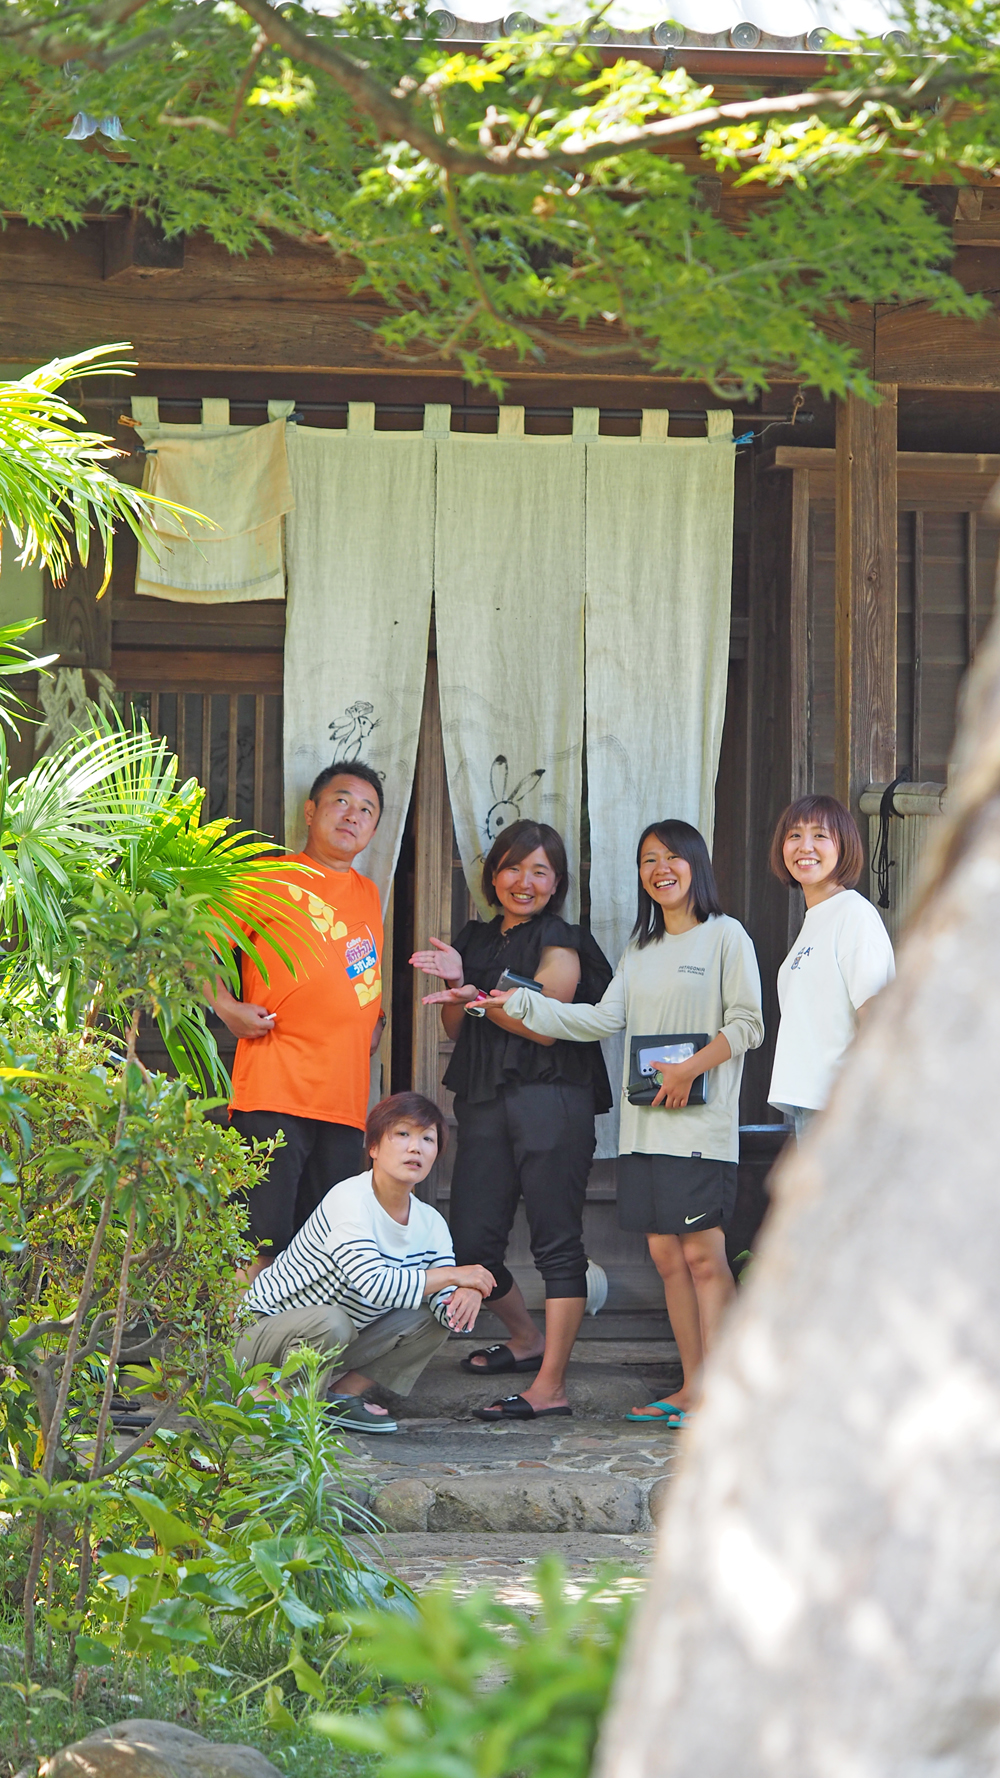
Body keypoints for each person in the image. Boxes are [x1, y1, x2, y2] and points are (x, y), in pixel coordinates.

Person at [496, 819, 763, 1428]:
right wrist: (515, 1003)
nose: (660, 869)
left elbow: (749, 1023)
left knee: (703, 1258)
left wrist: (688, 1070)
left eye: (672, 857)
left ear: (696, 863)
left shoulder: (727, 936)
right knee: (669, 1261)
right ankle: (693, 1387)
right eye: (648, 860)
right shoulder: (640, 951)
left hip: (699, 1132)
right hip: (645, 1129)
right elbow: (596, 1021)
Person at [409, 819, 612, 1422]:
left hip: (552, 1099)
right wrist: (456, 984)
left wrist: (472, 995)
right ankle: (527, 1340)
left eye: (540, 871)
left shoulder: (561, 939)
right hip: (484, 1098)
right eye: (513, 867)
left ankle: (550, 1387)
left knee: (556, 1241)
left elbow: (545, 1024)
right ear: (493, 873)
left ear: (557, 883)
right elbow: (454, 1029)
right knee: (472, 1240)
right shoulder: (472, 938)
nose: (525, 881)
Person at [208, 760, 386, 1282]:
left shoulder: (369, 894)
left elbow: (357, 973)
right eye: (341, 801)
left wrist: (373, 1022)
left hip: (344, 1102)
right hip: (274, 1090)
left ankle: (304, 1364)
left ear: (374, 829)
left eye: (367, 810)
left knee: (322, 1249)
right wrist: (225, 1006)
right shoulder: (264, 877)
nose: (353, 815)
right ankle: (242, 1360)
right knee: (258, 1243)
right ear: (310, 811)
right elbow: (198, 949)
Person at [237, 1092, 495, 1433]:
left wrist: (468, 1293)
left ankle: (338, 1398)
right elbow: (372, 1284)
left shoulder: (431, 1223)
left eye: (427, 1138)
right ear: (373, 1147)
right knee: (332, 1321)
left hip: (329, 1340)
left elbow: (443, 1299)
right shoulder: (349, 1199)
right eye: (402, 1134)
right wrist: (457, 1275)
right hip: (258, 1337)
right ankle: (283, 1401)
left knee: (434, 1319)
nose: (415, 1147)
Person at [767, 794, 895, 1138]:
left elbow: (876, 1015)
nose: (804, 846)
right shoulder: (817, 920)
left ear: (844, 847)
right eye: (794, 835)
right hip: (813, 1105)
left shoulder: (853, 914)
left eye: (819, 835)